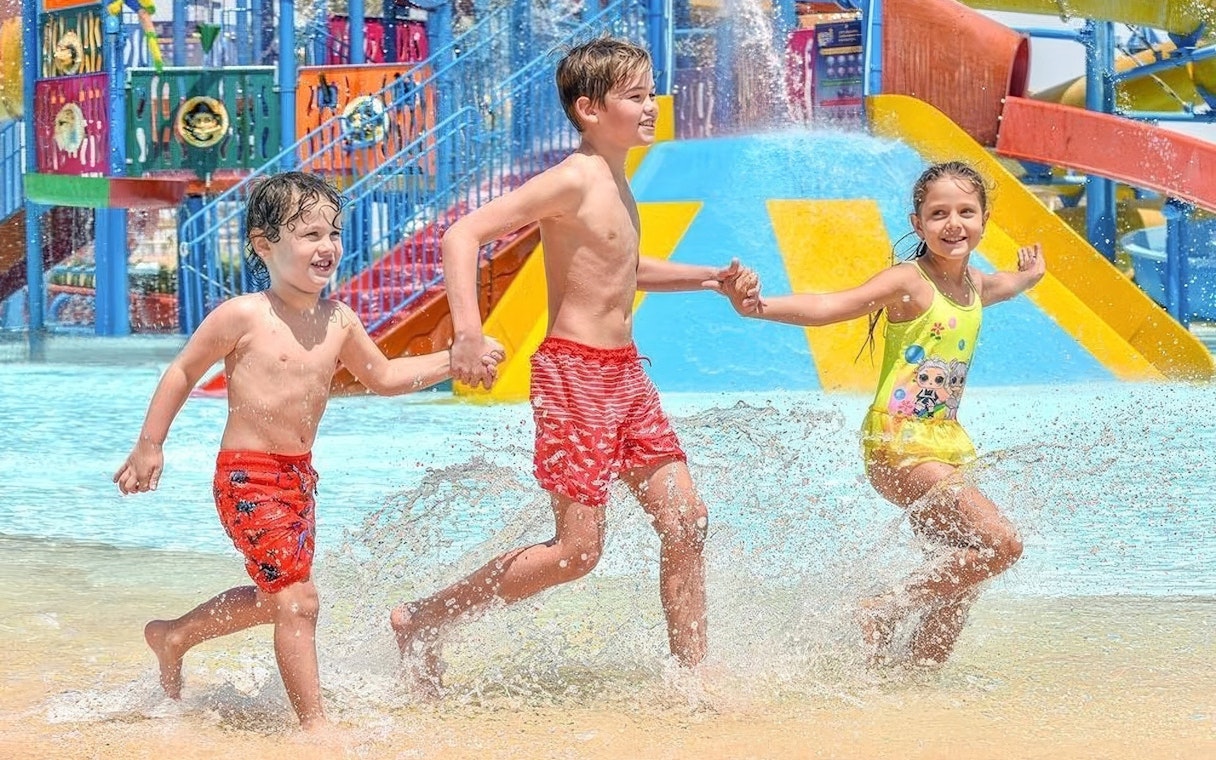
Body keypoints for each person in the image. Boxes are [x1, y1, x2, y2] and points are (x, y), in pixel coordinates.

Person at [389, 36, 760, 693]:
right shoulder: (572, 177)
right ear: (589, 109)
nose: (652, 107)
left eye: (652, 93)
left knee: (686, 521)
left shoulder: (618, 180)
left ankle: (691, 679)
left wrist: (710, 279)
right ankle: (424, 619)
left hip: (625, 375)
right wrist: (468, 335)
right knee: (577, 552)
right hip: (575, 374)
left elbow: (624, 267)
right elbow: (461, 234)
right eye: (637, 96)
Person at [113, 171, 503, 730]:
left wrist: (454, 359)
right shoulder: (245, 315)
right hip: (246, 479)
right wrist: (150, 445)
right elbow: (181, 371)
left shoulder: (338, 320)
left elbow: (386, 376)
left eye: (334, 234)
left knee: (277, 597)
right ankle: (315, 729)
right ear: (264, 245)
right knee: (299, 600)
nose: (328, 247)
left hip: (298, 481)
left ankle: (173, 635)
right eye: (310, 235)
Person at [722, 161, 1046, 667]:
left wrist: (1029, 277)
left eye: (966, 211)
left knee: (957, 581)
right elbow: (833, 305)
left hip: (944, 444)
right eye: (938, 213)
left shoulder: (974, 286)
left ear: (984, 221)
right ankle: (879, 608)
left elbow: (1005, 286)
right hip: (900, 445)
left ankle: (908, 683)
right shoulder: (908, 282)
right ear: (917, 224)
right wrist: (756, 307)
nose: (953, 223)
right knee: (1001, 545)